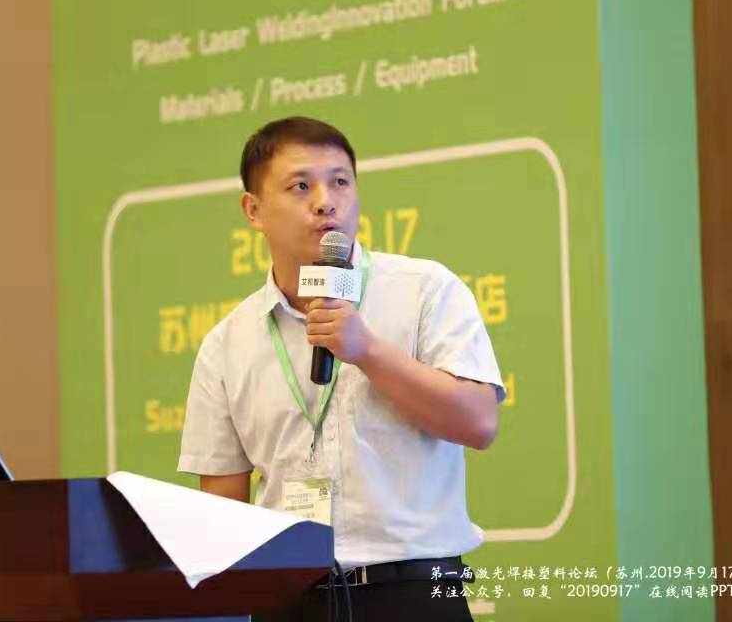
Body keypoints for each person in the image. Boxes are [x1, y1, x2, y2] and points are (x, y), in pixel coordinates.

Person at [178, 116, 505, 621]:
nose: (325, 201)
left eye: (340, 182)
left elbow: (479, 422)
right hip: (289, 601)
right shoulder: (227, 344)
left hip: (413, 593)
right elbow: (224, 512)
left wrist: (367, 350)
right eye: (300, 186)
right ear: (253, 210)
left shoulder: (424, 290)